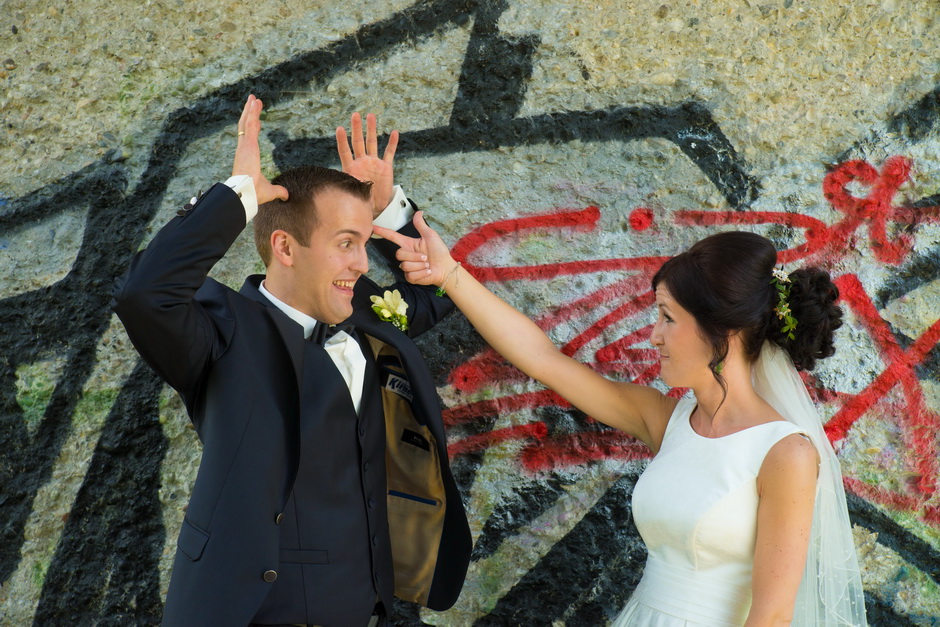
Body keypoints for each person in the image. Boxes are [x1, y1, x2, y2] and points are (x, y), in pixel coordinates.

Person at [377, 218, 868, 626]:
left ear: (725, 332)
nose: (653, 337)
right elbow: (544, 360)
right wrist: (449, 275)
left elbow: (774, 614)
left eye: (668, 318)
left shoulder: (787, 453)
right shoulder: (668, 419)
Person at [112, 95, 471, 626]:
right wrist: (236, 199)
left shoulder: (364, 309)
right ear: (284, 247)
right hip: (251, 611)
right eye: (346, 242)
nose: (359, 262)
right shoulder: (221, 330)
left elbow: (438, 291)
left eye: (364, 243)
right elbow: (144, 294)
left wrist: (385, 207)